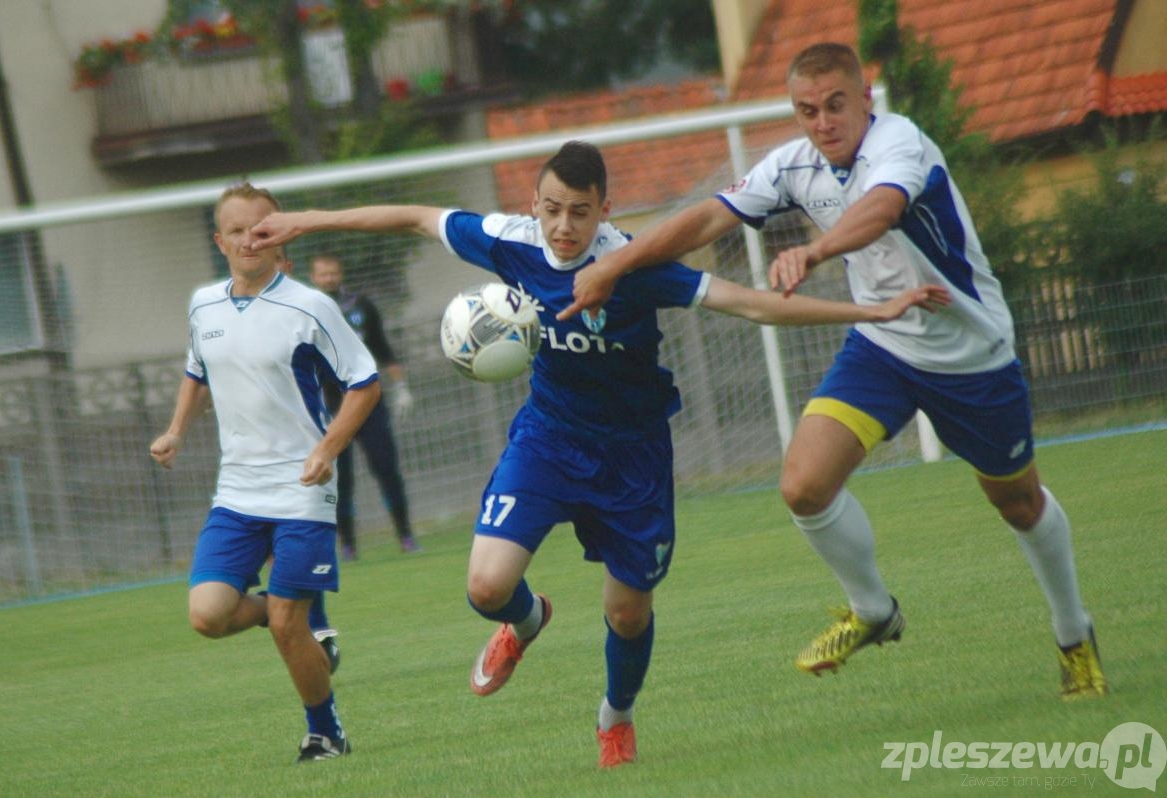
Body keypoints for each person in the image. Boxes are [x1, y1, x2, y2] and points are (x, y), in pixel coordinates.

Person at [248, 140, 948, 767]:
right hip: (548, 439)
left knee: (627, 614)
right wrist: (305, 222)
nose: (562, 226)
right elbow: (412, 218)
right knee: (485, 588)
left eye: (579, 213)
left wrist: (873, 312)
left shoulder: (635, 266)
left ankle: (615, 716)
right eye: (551, 209)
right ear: (534, 204)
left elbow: (753, 304)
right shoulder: (511, 242)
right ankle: (527, 620)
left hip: (632, 457)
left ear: (603, 211)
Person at [559, 44, 1108, 700]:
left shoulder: (900, 143)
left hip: (972, 357)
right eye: (808, 110)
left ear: (865, 98)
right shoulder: (793, 164)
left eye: (835, 105)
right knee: (804, 486)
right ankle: (873, 611)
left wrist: (814, 251)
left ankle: (1073, 632)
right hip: (883, 347)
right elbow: (708, 216)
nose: (822, 122)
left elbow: (880, 210)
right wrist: (614, 265)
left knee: (1017, 502)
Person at [149, 182, 380, 763]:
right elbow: (197, 371)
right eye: (237, 230)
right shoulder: (204, 304)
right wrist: (176, 431)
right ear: (219, 241)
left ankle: (325, 733)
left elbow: (365, 382)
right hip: (237, 491)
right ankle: (301, 616)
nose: (249, 239)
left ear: (281, 237)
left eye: (261, 229)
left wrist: (328, 449)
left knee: (284, 625)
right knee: (208, 615)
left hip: (302, 488)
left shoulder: (310, 306)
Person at [307, 253, 421, 557]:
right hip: (331, 409)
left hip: (368, 404)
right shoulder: (305, 312)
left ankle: (406, 535)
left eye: (333, 273)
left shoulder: (361, 306)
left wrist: (401, 387)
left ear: (340, 273)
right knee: (339, 479)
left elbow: (382, 348)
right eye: (323, 274)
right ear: (314, 277)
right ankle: (348, 544)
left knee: (387, 469)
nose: (329, 278)